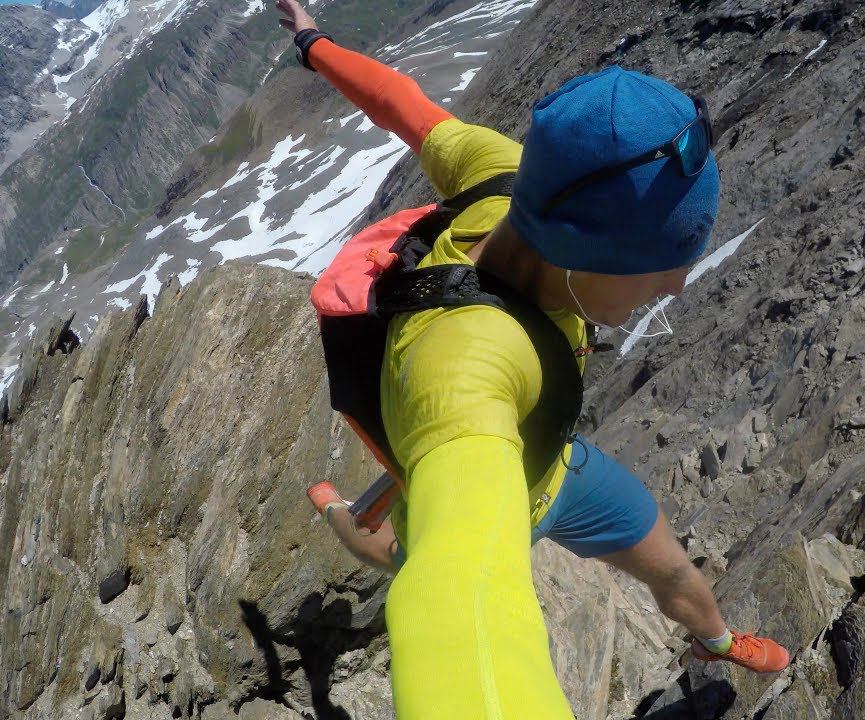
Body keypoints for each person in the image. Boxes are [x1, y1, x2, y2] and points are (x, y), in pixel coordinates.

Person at [277, 1, 789, 717]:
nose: (676, 285)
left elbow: (404, 106)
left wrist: (312, 42)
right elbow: (461, 610)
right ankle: (341, 511)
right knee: (412, 553)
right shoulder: (464, 376)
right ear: (581, 254)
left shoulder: (512, 175)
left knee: (672, 566)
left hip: (554, 469)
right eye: (661, 266)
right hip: (491, 479)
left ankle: (715, 638)